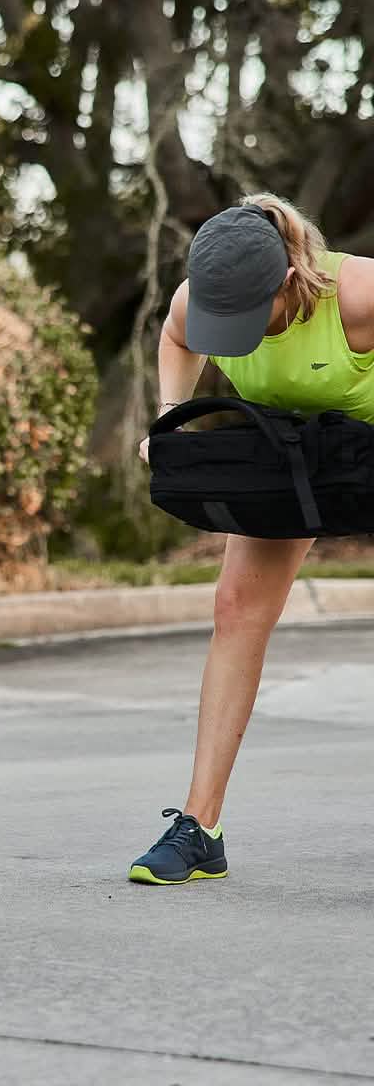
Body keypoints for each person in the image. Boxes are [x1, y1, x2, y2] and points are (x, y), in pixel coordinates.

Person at [131, 193, 374, 884]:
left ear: (291, 279)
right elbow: (177, 339)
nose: (228, 330)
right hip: (291, 445)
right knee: (236, 612)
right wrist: (167, 418)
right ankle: (200, 826)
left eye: (248, 316)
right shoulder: (194, 302)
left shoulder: (358, 294)